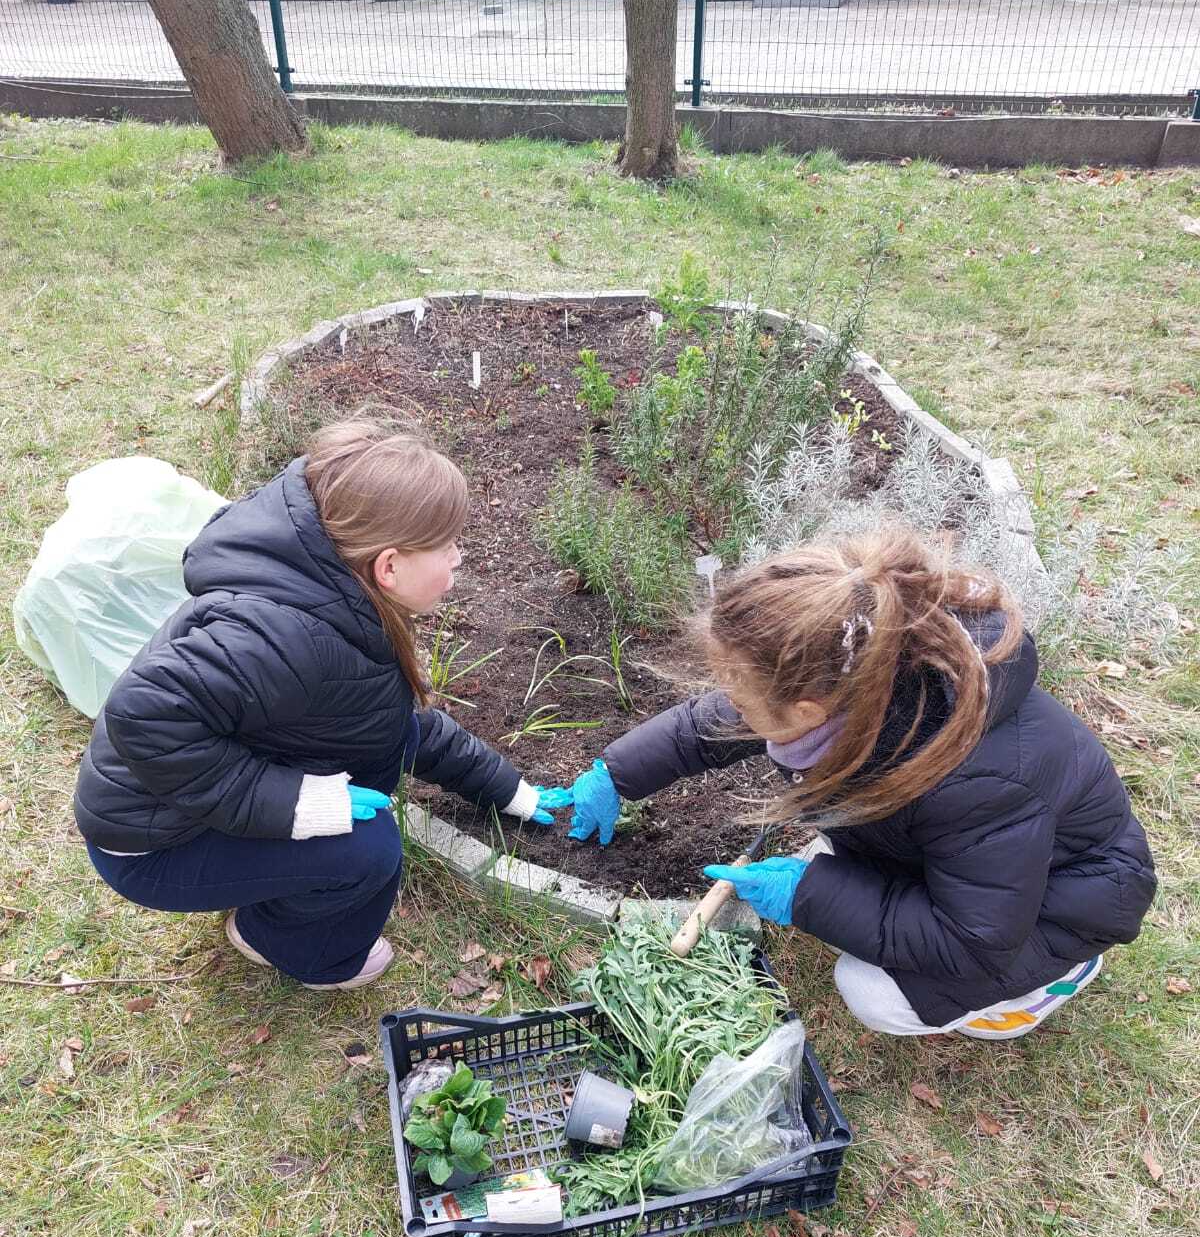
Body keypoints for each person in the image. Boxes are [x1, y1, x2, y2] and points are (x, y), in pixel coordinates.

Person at [554, 529, 1157, 1039]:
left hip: (1066, 901)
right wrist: (617, 772)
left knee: (870, 990)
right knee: (844, 870)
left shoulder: (978, 782)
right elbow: (712, 723)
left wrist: (808, 895)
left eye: (739, 693)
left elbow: (971, 941)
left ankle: (1053, 980)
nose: (730, 703)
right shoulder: (857, 677)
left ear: (808, 710)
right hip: (977, 868)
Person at [74, 419, 562, 991]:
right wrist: (297, 804)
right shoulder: (292, 640)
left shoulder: (336, 599)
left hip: (178, 807)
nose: (458, 558)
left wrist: (509, 791)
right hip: (150, 843)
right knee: (368, 849)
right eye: (447, 545)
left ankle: (270, 892)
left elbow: (397, 727)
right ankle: (285, 944)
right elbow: (144, 712)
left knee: (360, 828)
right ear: (389, 566)